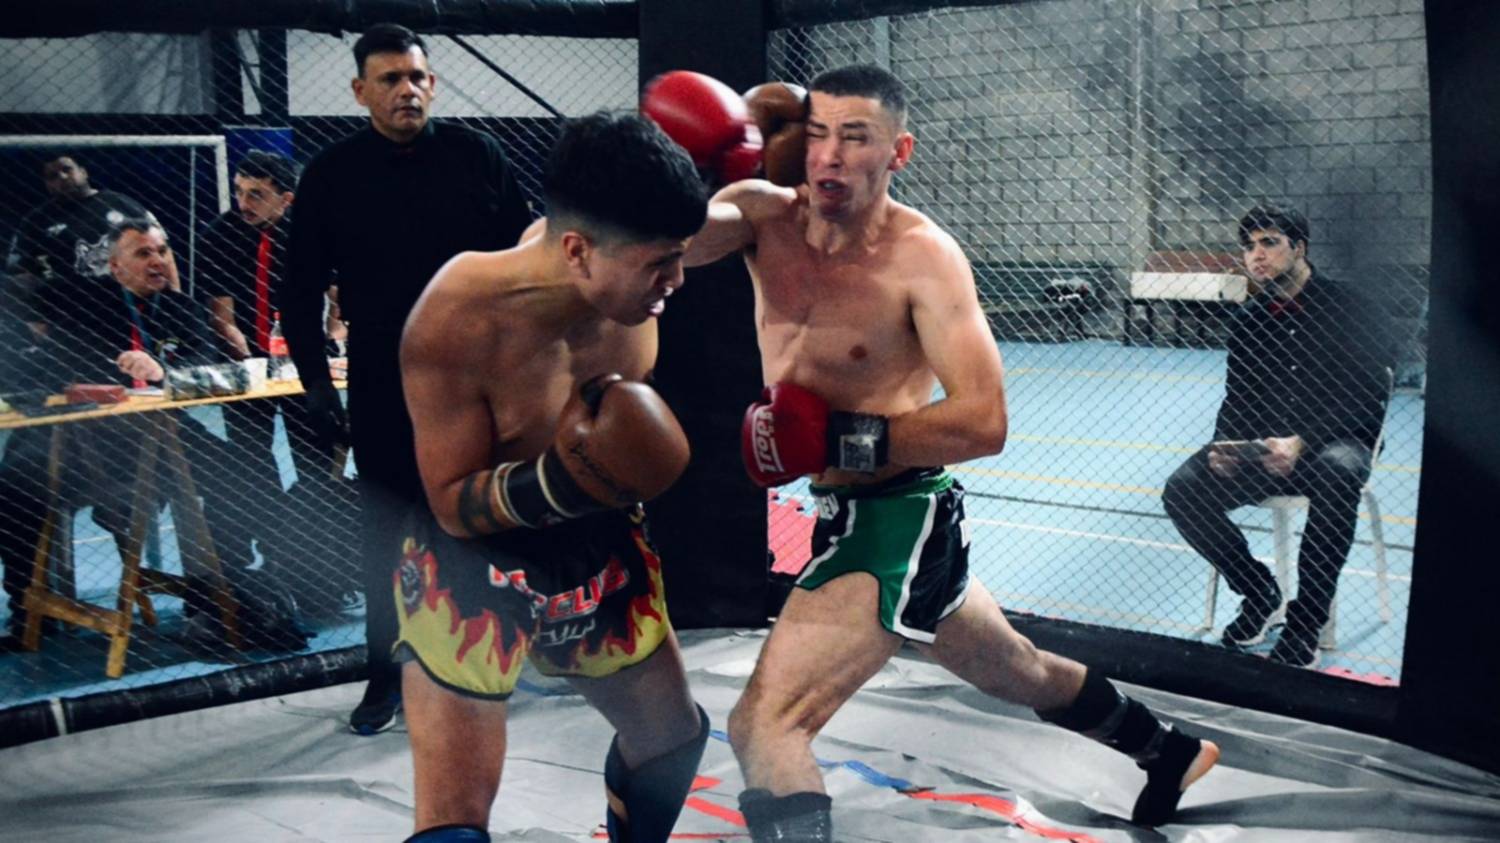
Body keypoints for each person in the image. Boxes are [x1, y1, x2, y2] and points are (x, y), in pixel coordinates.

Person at [648, 64, 1220, 837]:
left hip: (900, 515)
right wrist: (700, 166)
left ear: (899, 151)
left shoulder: (924, 258)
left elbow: (985, 420)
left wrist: (837, 438)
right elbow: (665, 247)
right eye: (818, 134)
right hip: (847, 513)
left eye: (856, 138)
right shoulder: (761, 213)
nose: (831, 156)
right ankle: (1170, 750)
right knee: (1019, 668)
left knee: (766, 724)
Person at [394, 111, 709, 842]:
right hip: (474, 562)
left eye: (681, 256)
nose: (676, 280)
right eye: (661, 263)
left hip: (594, 541)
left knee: (670, 744)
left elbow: (741, 213)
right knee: (452, 826)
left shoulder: (630, 274)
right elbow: (448, 502)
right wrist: (565, 479)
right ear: (577, 251)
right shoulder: (457, 317)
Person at [282, 22, 534, 734]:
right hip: (383, 376)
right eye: (391, 79)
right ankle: (383, 673)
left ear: (433, 84)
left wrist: (528, 364)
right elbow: (300, 290)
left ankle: (483, 660)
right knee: (386, 528)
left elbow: (525, 259)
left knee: (478, 517)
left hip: (478, 373)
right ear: (360, 91)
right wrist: (315, 387)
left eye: (418, 77)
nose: (408, 90)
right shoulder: (332, 174)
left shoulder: (476, 155)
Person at [1, 219, 255, 647]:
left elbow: (208, 364)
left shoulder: (182, 308)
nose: (158, 261)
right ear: (116, 268)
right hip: (90, 437)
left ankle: (220, 593)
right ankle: (27, 609)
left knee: (239, 469)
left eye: (162, 251)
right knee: (14, 482)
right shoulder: (85, 305)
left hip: (164, 433)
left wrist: (164, 370)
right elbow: (46, 364)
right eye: (144, 253)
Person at [1162, 204, 1394, 668]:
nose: (1257, 255)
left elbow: (1367, 398)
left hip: (1338, 439)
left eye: (1269, 242)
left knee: (1336, 473)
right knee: (1182, 490)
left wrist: (1301, 442)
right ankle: (1259, 592)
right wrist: (1225, 445)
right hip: (1268, 447)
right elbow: (1239, 398)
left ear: (1299, 248)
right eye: (1248, 246)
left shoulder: (1350, 307)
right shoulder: (1249, 321)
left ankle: (1305, 624)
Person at [197, 150, 349, 606]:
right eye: (240, 192)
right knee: (250, 463)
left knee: (317, 459)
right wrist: (254, 364)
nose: (243, 203)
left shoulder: (315, 230)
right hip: (244, 361)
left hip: (304, 359)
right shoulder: (219, 235)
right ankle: (268, 563)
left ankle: (321, 567)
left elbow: (340, 300)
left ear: (286, 198)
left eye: (256, 195)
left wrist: (332, 340)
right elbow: (222, 318)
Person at [6, 154, 151, 335]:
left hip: (132, 306)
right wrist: (33, 318)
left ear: (83, 172)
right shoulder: (37, 221)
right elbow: (19, 276)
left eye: (67, 169)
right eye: (53, 176)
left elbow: (162, 250)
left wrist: (169, 296)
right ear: (47, 184)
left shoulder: (120, 203)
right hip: (73, 318)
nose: (62, 177)